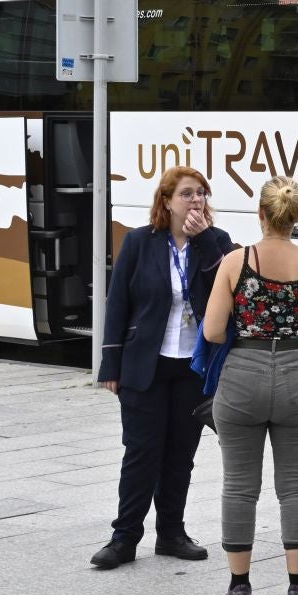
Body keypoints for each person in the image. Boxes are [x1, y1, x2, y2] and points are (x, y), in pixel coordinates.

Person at [202, 176, 298, 595]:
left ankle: (239, 588)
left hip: (242, 375)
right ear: (297, 216)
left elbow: (212, 331)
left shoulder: (234, 262)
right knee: (297, 485)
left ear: (260, 214)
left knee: (240, 486)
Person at [91, 166, 234, 570]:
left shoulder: (217, 242)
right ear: (167, 201)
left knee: (180, 454)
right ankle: (123, 539)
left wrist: (204, 238)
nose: (196, 200)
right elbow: (117, 302)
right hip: (145, 365)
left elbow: (228, 287)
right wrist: (110, 363)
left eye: (202, 193)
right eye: (187, 193)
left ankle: (171, 532)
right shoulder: (139, 242)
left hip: (193, 365)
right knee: (141, 451)